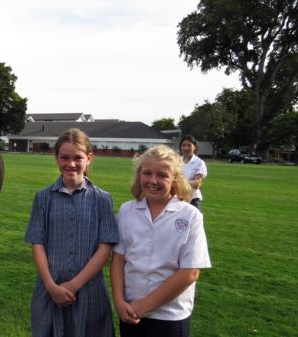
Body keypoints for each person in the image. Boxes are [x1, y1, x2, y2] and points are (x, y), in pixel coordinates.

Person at [25, 128, 119, 337]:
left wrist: (75, 284)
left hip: (89, 292)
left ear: (89, 158)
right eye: (65, 158)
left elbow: (105, 248)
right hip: (50, 290)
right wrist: (51, 286)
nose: (71, 164)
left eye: (78, 158)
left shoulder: (102, 199)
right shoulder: (43, 198)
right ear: (56, 158)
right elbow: (37, 243)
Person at [110, 145, 211, 337]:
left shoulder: (190, 216)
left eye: (162, 175)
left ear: (175, 178)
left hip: (170, 316)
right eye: (147, 173)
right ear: (139, 175)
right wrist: (119, 302)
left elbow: (190, 273)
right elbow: (118, 259)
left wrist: (144, 305)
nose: (153, 181)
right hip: (130, 311)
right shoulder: (127, 211)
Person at [179, 135, 207, 212]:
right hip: (177, 198)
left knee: (195, 223)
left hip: (192, 200)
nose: (186, 148)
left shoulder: (199, 163)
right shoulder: (177, 161)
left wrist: (179, 180)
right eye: (183, 145)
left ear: (194, 147)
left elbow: (197, 184)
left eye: (189, 145)